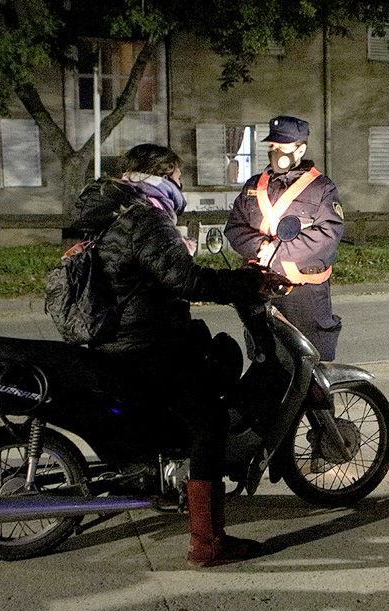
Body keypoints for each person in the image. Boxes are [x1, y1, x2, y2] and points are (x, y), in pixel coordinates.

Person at [71, 143, 272, 568]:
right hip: (145, 345)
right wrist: (241, 284)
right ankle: (207, 543)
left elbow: (139, 271)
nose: (181, 187)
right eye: (179, 178)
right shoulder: (146, 216)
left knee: (210, 361)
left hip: (116, 337)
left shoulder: (112, 213)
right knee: (209, 420)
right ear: (166, 174)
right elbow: (185, 281)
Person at [225, 116, 345, 360]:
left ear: (300, 149)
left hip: (304, 293)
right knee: (265, 359)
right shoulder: (253, 186)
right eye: (272, 147)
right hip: (261, 287)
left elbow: (328, 233)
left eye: (282, 147)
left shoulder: (321, 188)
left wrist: (278, 251)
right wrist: (262, 247)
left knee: (311, 362)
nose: (275, 152)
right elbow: (234, 228)